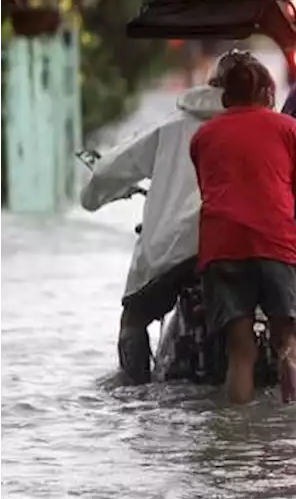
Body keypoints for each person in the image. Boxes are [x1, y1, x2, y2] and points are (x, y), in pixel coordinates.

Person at [80, 53, 246, 385]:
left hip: (176, 248)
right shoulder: (264, 126)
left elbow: (110, 169)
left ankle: (134, 392)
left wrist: (92, 199)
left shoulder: (172, 126)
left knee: (134, 317)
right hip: (244, 246)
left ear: (209, 85)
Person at [189, 51, 296, 404]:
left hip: (222, 245)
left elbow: (208, 190)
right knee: (287, 338)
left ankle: (238, 444)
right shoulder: (287, 127)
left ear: (223, 94)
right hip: (275, 240)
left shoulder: (203, 136)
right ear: (266, 92)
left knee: (239, 353)